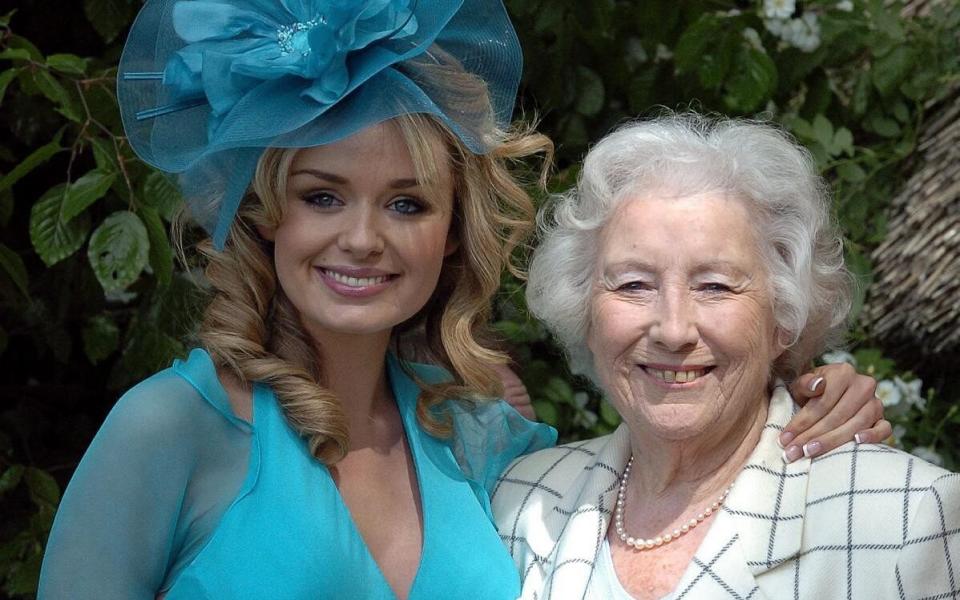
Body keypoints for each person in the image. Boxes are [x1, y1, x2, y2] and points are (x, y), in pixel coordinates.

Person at [39, 1, 887, 597]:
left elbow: (661, 458)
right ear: (267, 220)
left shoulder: (478, 440)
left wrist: (806, 385)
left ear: (451, 233)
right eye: (323, 196)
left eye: (406, 203)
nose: (364, 239)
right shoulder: (170, 431)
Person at [491, 114, 960, 599]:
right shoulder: (521, 501)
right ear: (585, 314)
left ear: (783, 318)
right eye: (634, 284)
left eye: (715, 286)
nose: (673, 329)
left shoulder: (908, 519)